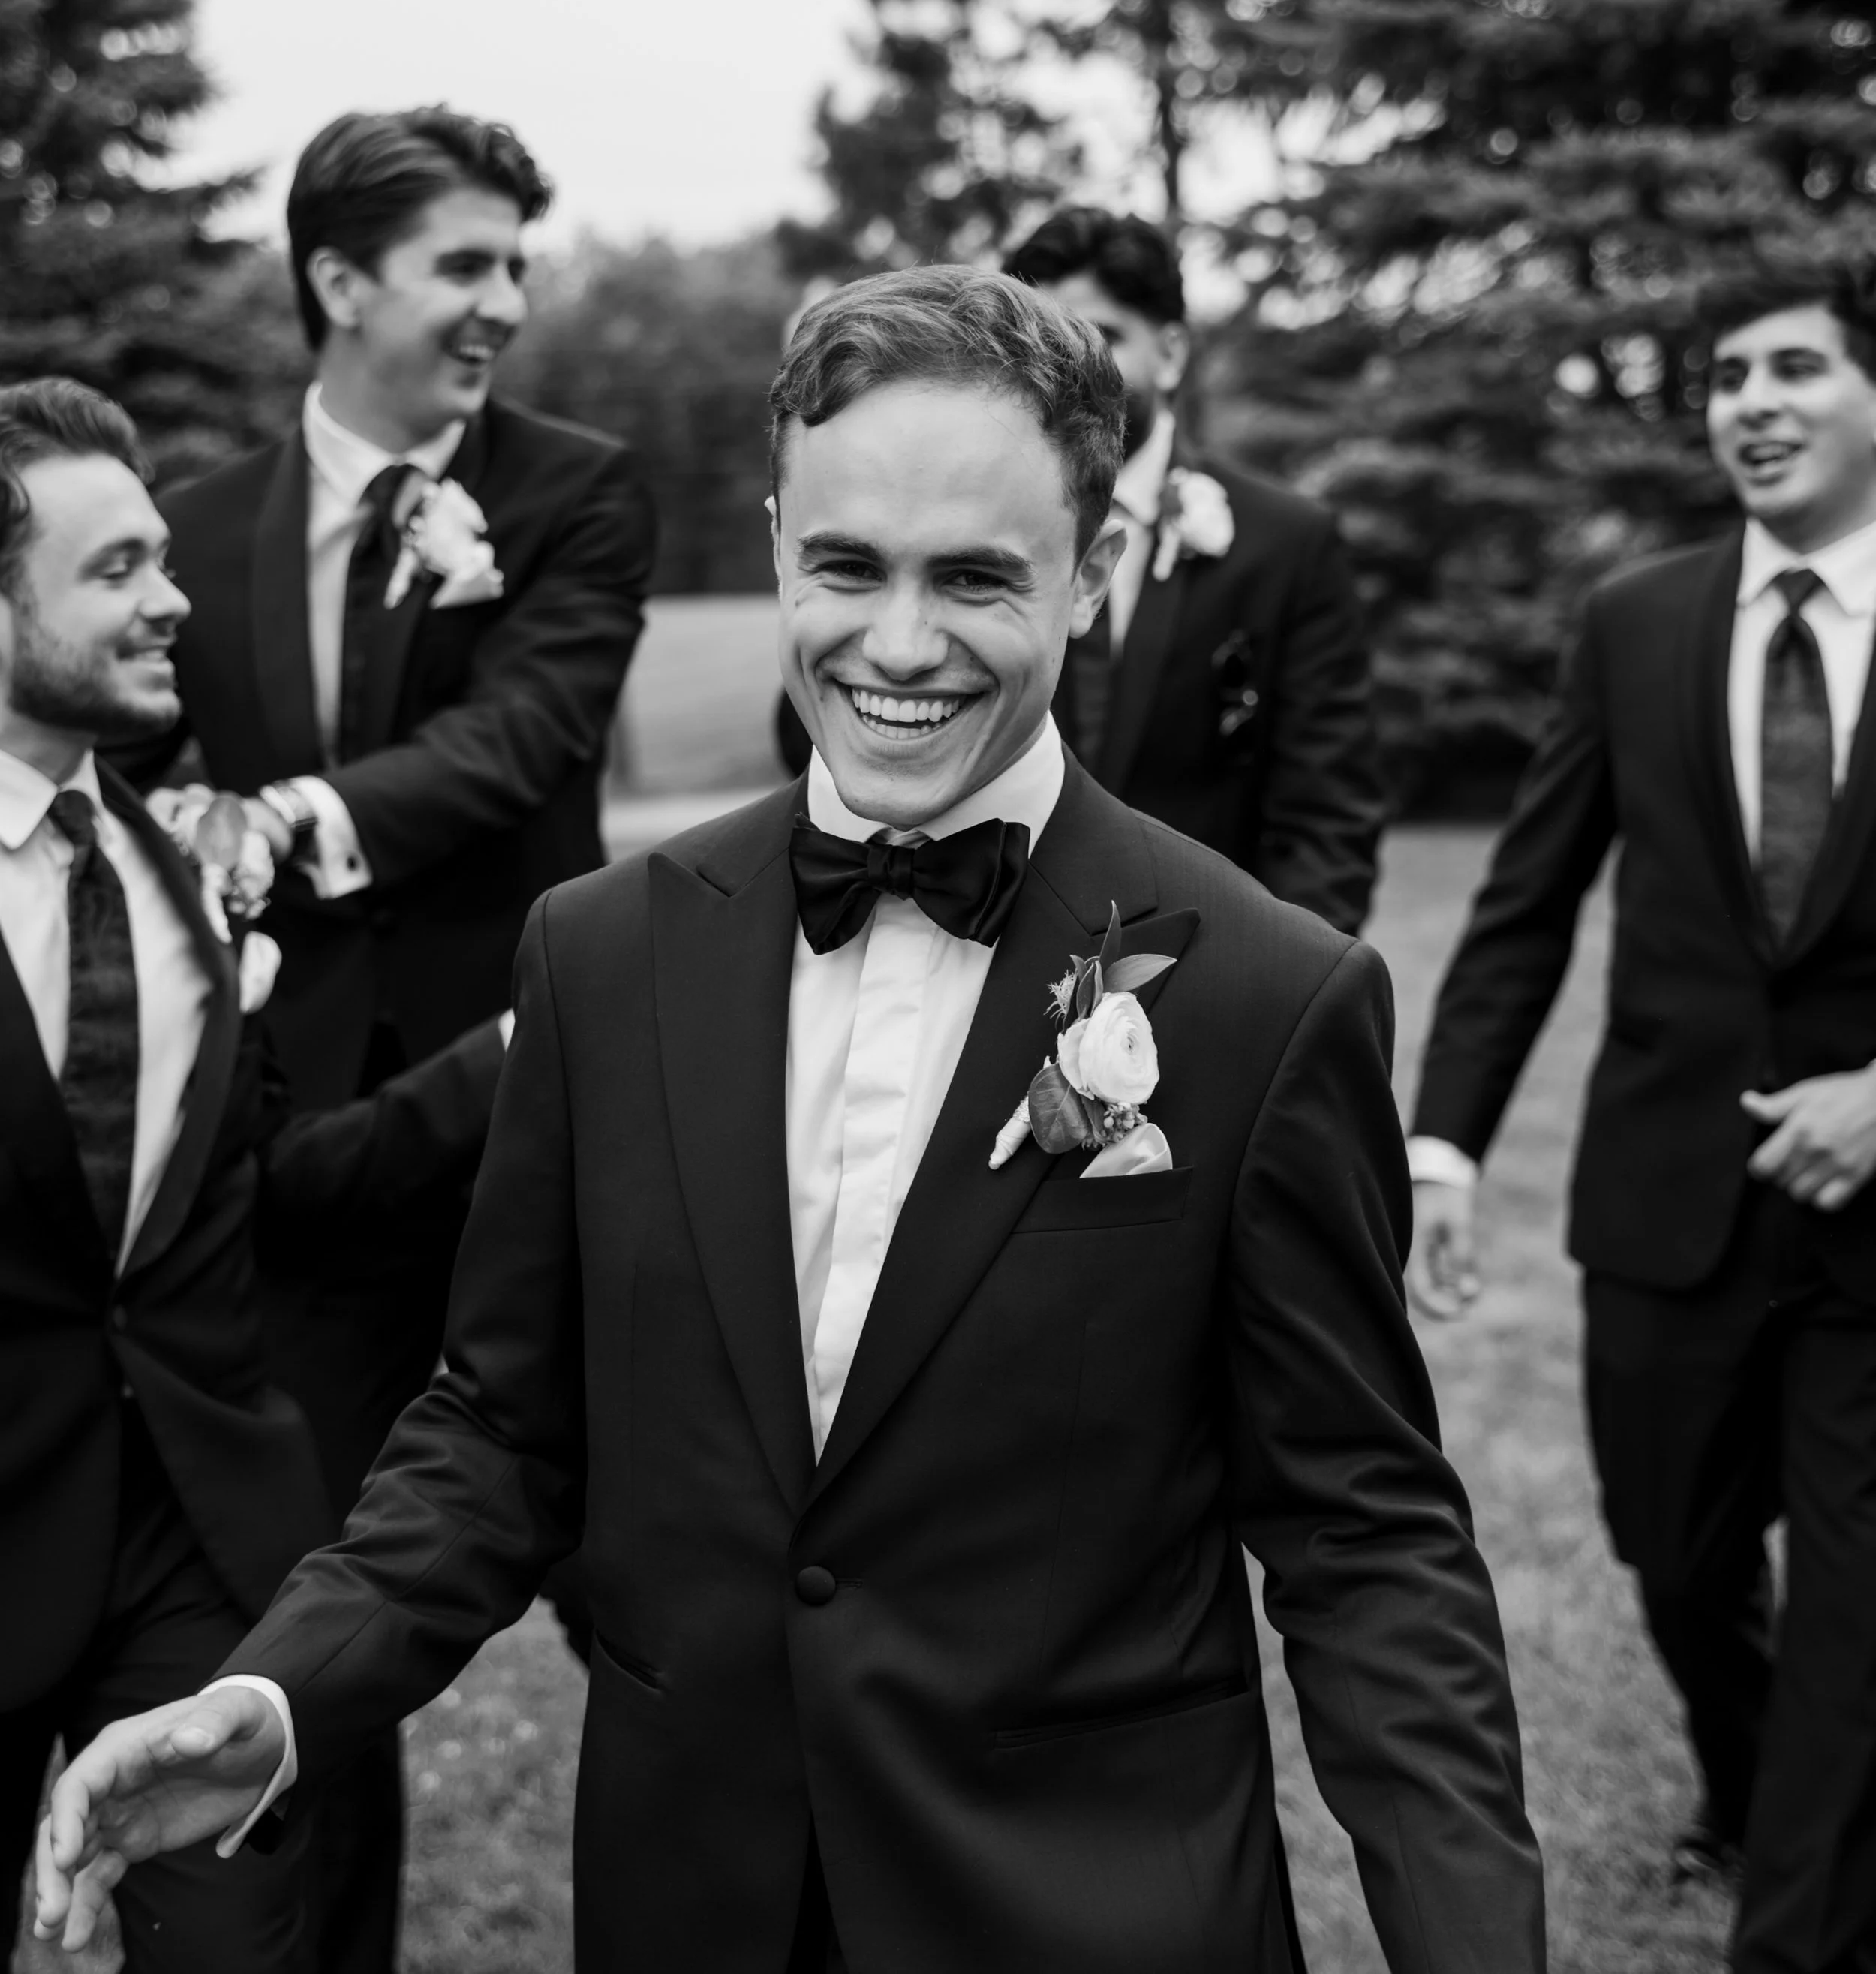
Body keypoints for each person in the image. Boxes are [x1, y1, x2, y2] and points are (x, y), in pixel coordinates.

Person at [39, 269, 1544, 1973]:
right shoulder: (602, 956)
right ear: (773, 546)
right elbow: (502, 1429)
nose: (901, 644)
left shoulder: (1272, 999)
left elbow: (1366, 1539)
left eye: (977, 576)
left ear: (1096, 570)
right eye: (848, 567)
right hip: (698, 1898)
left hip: (1093, 1910)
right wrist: (279, 1687)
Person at [112, 106, 655, 1971]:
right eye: (467, 264)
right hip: (312, 1175)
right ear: (340, 283)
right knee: (298, 1633)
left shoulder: (578, 490)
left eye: (521, 263)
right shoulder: (195, 531)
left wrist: (281, 824)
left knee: (669, 1602)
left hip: (555, 1125)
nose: (507, 301)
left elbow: (528, 736)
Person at [1402, 257, 1876, 1973]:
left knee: (1855, 1603)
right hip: (1668, 1196)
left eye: (1796, 365)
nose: (1750, 399)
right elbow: (1528, 898)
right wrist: (1442, 1139)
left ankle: (1803, 1923)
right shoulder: (1640, 622)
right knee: (1673, 1555)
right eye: (1728, 372)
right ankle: (1759, 1789)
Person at [0, 381, 507, 1973]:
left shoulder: (185, 878)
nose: (172, 599)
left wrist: (508, 1058)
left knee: (246, 1949)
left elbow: (264, 1191)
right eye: (117, 568)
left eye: (166, 555)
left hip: (197, 1535)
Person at [1003, 205, 1385, 934]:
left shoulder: (1287, 544)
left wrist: (1270, 1008)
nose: (1063, 371)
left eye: (1098, 336)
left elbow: (1326, 820)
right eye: (1040, 343)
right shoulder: (966, 536)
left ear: (1171, 352)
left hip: (1207, 972)